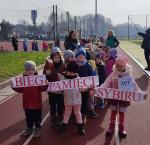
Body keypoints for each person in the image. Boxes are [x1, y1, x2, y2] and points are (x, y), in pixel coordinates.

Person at [100, 56, 145, 138]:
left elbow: (134, 85)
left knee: (122, 113)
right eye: (117, 66)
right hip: (114, 97)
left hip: (124, 98)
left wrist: (139, 93)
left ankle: (121, 127)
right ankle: (111, 126)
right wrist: (100, 89)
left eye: (120, 66)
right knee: (113, 113)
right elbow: (106, 82)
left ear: (125, 66)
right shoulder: (113, 73)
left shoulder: (129, 75)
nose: (118, 68)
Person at [11, 61, 48, 137]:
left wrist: (46, 84)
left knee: (37, 118)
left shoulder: (38, 80)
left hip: (37, 104)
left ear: (35, 70)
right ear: (25, 71)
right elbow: (20, 90)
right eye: (28, 70)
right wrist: (13, 86)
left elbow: (42, 88)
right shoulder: (23, 81)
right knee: (28, 118)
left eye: (32, 69)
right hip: (27, 104)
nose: (30, 71)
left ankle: (37, 128)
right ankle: (29, 128)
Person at [59, 61, 85, 136]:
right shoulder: (63, 79)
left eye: (73, 72)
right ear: (67, 70)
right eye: (70, 71)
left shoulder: (78, 79)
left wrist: (89, 87)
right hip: (67, 99)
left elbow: (81, 89)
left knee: (77, 113)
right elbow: (60, 89)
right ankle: (63, 127)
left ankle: (80, 128)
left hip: (77, 99)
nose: (72, 73)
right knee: (67, 113)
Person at [43, 47, 65, 127]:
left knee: (60, 105)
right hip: (51, 90)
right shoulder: (47, 66)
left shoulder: (63, 65)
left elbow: (66, 76)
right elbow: (44, 78)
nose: (57, 59)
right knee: (52, 105)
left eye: (58, 57)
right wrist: (46, 73)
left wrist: (62, 76)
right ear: (52, 57)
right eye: (55, 57)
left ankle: (60, 117)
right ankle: (53, 118)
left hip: (60, 90)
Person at [74, 46, 96, 124]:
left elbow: (92, 77)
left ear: (85, 56)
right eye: (79, 55)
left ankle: (84, 115)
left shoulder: (88, 66)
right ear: (76, 56)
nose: (81, 57)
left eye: (82, 55)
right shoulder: (74, 65)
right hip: (76, 88)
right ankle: (76, 115)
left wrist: (91, 88)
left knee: (84, 102)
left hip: (85, 88)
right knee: (76, 102)